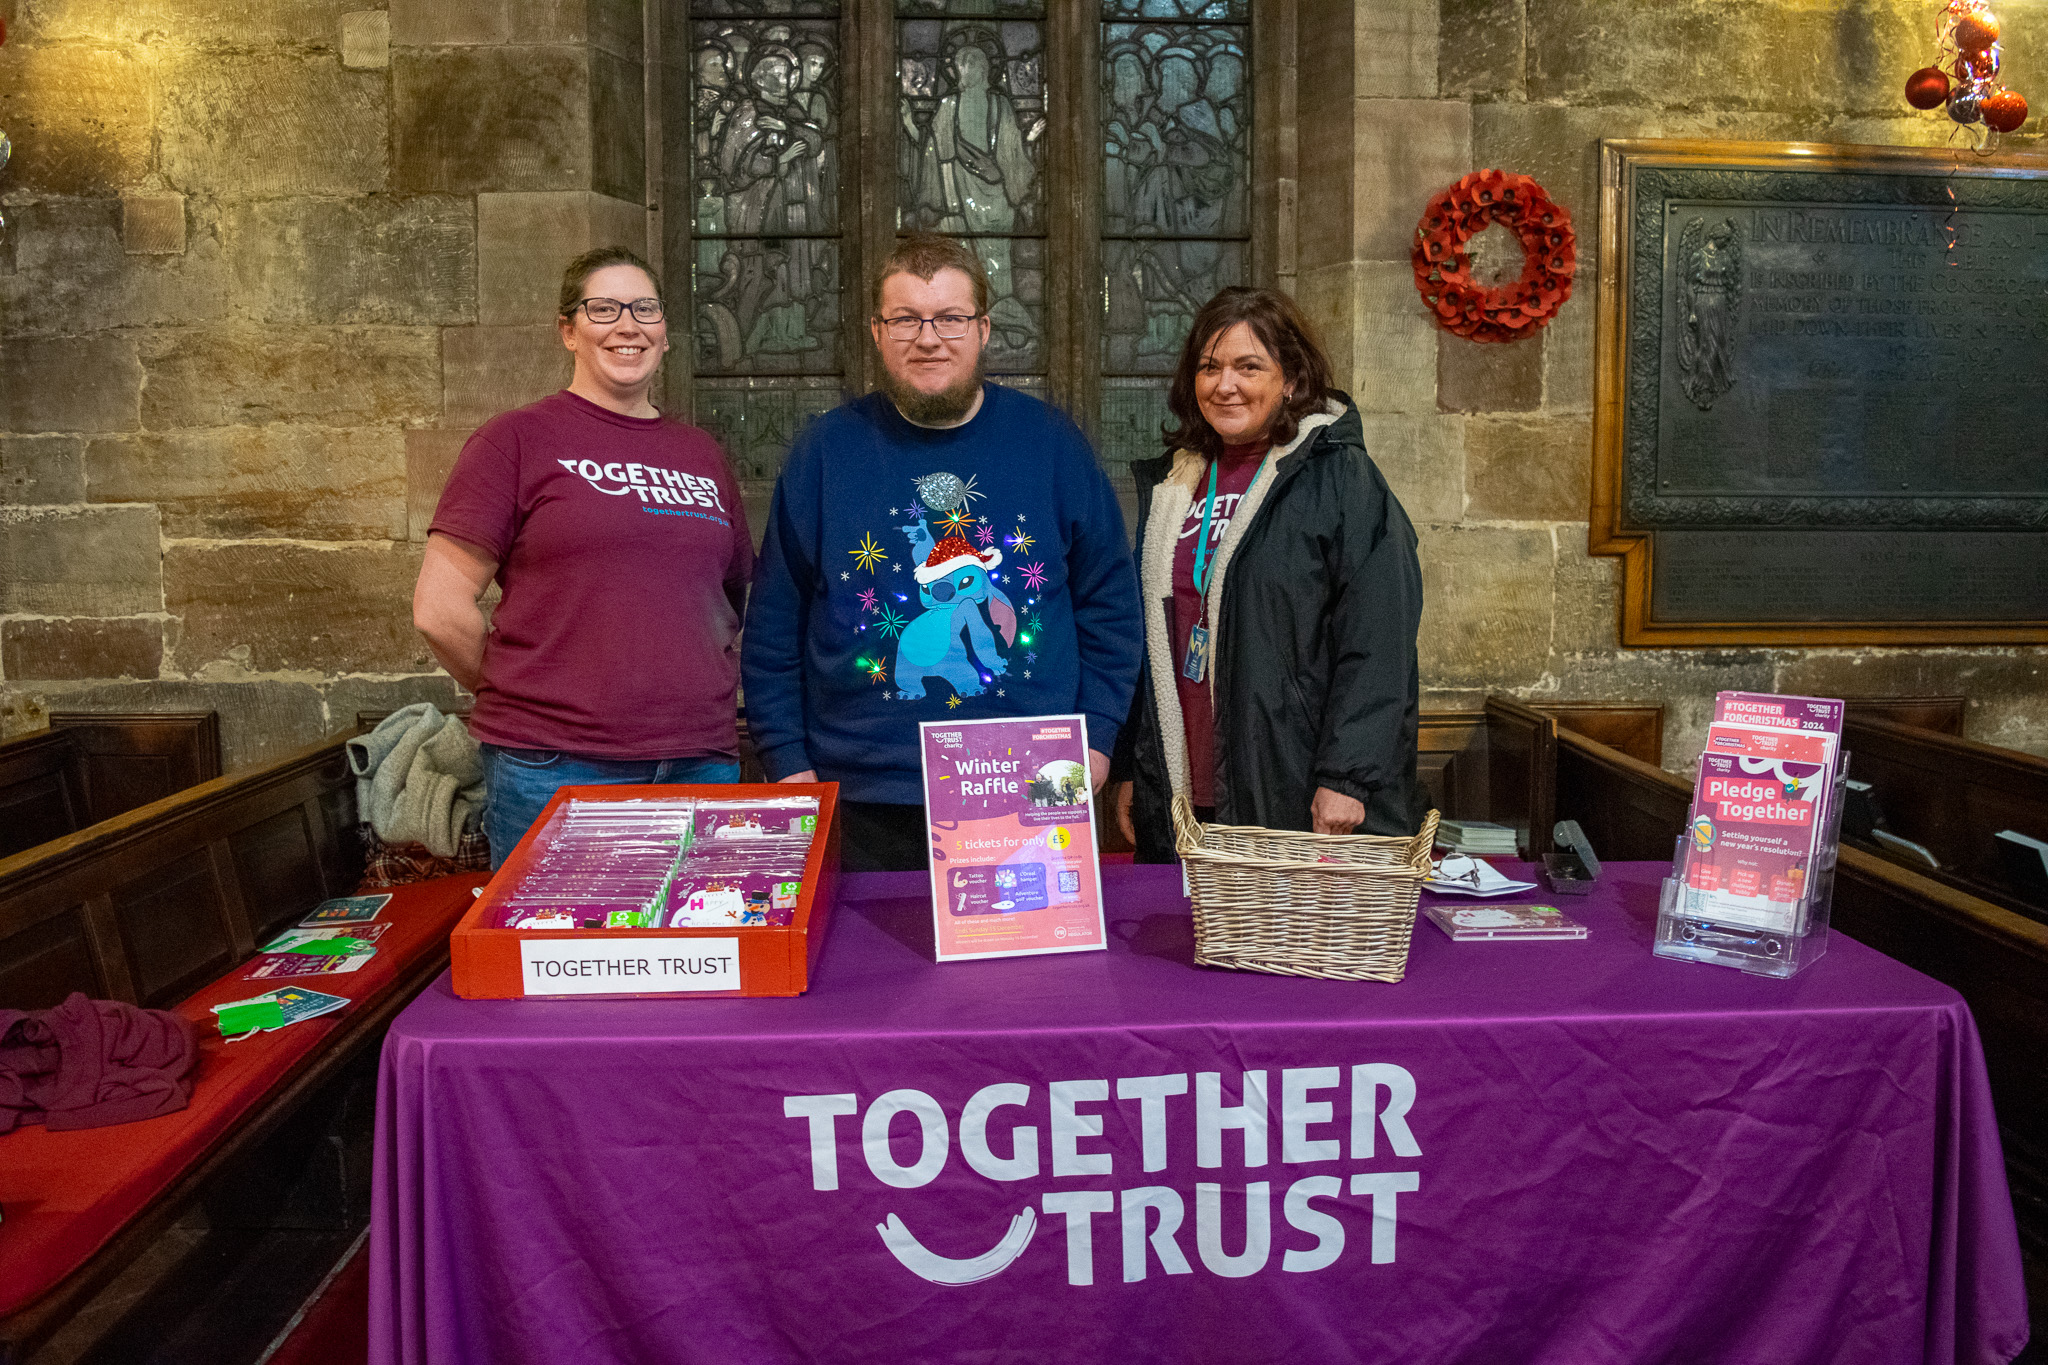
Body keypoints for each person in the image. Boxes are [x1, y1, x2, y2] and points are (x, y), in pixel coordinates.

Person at [743, 232, 1142, 872]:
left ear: (983, 329)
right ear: (877, 332)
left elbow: (1111, 608)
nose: (928, 338)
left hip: (1031, 778)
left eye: (950, 318)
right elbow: (773, 626)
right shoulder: (825, 451)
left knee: (1036, 977)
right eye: (906, 319)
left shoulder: (1050, 444)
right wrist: (787, 761)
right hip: (861, 792)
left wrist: (1095, 740)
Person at [413, 246, 753, 868]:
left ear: (666, 333)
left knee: (691, 955)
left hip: (697, 757)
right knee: (555, 959)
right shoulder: (515, 440)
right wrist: (526, 692)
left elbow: (726, 599)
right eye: (604, 309)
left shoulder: (700, 454)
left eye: (645, 308)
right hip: (554, 764)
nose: (629, 325)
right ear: (568, 331)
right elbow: (439, 608)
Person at [1110, 286, 1426, 861]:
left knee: (1278, 948)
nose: (1224, 385)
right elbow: (1149, 641)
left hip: (1291, 783)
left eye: (1248, 367)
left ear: (1292, 380)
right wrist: (1139, 765)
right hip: (1185, 788)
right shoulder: (1175, 484)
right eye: (1209, 368)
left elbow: (1379, 640)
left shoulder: (1341, 480)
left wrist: (1348, 777)